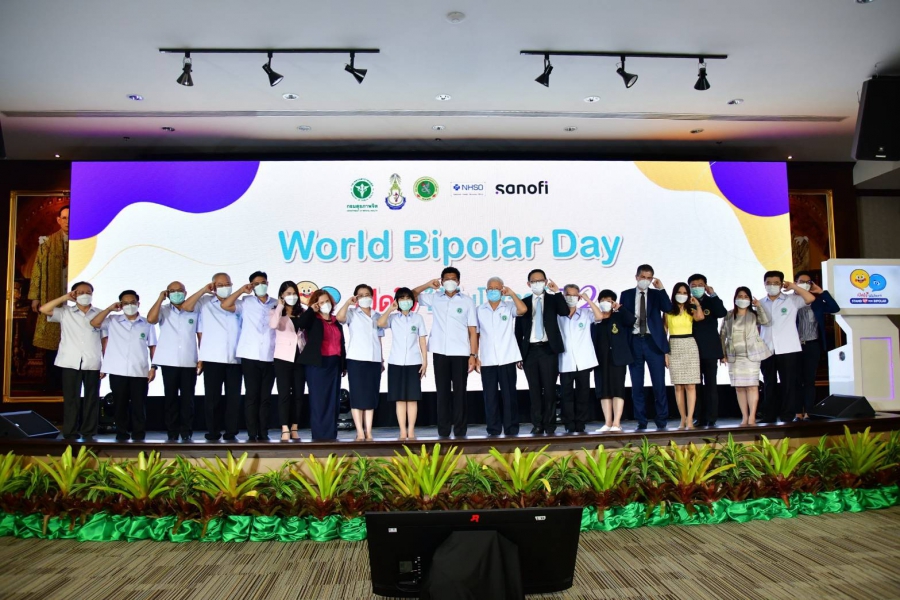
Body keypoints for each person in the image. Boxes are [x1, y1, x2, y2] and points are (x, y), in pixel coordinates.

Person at [413, 268, 478, 438]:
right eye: (446, 279)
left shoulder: (467, 301)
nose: (450, 281)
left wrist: (473, 355)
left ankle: (460, 431)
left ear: (458, 281)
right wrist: (428, 284)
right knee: (442, 393)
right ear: (441, 282)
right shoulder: (435, 298)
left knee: (460, 393)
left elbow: (472, 330)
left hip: (461, 352)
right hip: (440, 351)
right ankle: (443, 431)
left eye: (453, 278)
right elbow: (411, 295)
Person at [39, 281, 104, 440]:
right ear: (74, 294)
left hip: (93, 361)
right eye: (80, 292)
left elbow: (105, 340)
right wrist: (65, 297)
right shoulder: (65, 312)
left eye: (88, 292)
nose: (84, 295)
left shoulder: (100, 313)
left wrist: (105, 364)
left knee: (92, 399)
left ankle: (89, 431)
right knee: (71, 399)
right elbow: (43, 309)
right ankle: (70, 431)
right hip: (70, 361)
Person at [90, 290, 157, 441]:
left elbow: (153, 346)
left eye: (132, 302)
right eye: (125, 303)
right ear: (120, 304)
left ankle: (139, 435)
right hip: (117, 370)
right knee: (120, 405)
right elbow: (94, 323)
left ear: (138, 304)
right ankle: (122, 433)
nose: (129, 306)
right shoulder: (112, 320)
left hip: (139, 370)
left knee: (139, 405)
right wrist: (109, 309)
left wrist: (154, 367)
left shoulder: (147, 323)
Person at [182, 273, 242, 441]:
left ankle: (231, 432)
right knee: (212, 399)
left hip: (236, 357)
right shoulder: (205, 302)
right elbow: (186, 307)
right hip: (213, 357)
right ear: (213, 286)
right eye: (220, 285)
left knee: (233, 398)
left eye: (227, 284)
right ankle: (213, 432)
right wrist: (203, 290)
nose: (225, 287)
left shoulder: (239, 303)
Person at [221, 271, 278, 441]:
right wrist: (241, 290)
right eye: (256, 284)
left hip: (270, 355)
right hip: (250, 355)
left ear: (268, 283)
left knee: (265, 397)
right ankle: (252, 433)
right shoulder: (246, 301)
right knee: (252, 395)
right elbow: (225, 305)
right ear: (251, 286)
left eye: (263, 282)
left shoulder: (276, 303)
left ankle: (263, 431)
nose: (261, 286)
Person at [514, 269, 568, 435]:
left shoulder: (553, 300)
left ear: (545, 282)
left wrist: (557, 292)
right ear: (528, 284)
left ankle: (549, 424)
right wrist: (518, 354)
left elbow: (565, 311)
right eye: (534, 281)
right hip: (530, 351)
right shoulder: (524, 302)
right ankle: (537, 424)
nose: (537, 283)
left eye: (540, 280)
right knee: (534, 390)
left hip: (548, 349)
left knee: (550, 389)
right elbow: (518, 331)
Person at [758, 270, 816, 422]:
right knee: (769, 383)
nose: (772, 286)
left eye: (776, 283)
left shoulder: (792, 300)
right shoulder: (760, 303)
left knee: (789, 384)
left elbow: (810, 298)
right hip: (767, 348)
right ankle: (769, 415)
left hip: (788, 348)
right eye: (769, 283)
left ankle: (787, 415)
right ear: (764, 284)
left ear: (782, 284)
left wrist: (794, 287)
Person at [620, 264, 672, 431]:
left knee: (659, 384)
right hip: (634, 341)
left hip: (653, 342)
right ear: (636, 277)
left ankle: (661, 419)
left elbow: (668, 308)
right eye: (643, 277)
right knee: (637, 384)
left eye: (649, 278)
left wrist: (661, 288)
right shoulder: (626, 294)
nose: (645, 280)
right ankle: (641, 420)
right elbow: (623, 318)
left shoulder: (656, 295)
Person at [147, 281, 199, 442]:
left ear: (185, 292)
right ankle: (172, 431)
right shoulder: (163, 310)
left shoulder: (194, 310)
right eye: (172, 291)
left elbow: (200, 334)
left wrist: (202, 357)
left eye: (180, 290)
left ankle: (186, 431)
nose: (177, 293)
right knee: (170, 398)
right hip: (169, 361)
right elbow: (151, 319)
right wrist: (159, 299)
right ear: (167, 293)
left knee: (188, 399)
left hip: (189, 360)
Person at [475, 277, 526, 436]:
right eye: (490, 288)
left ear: (502, 290)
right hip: (487, 360)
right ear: (486, 291)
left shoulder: (508, 307)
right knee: (490, 397)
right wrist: (475, 355)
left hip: (507, 358)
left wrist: (512, 294)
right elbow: (476, 334)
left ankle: (511, 429)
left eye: (497, 288)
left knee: (509, 396)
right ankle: (493, 429)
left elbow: (523, 310)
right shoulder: (479, 310)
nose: (493, 291)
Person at [28, 205, 69, 391]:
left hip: (74, 299)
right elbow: (37, 269)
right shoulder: (47, 243)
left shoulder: (83, 241)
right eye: (64, 218)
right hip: (53, 296)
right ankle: (52, 384)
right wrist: (35, 297)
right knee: (53, 342)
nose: (67, 222)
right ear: (58, 220)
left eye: (70, 218)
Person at [296, 289, 347, 441]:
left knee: (333, 401)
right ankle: (319, 437)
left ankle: (331, 435)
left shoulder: (336, 321)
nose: (325, 304)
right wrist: (311, 310)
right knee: (319, 401)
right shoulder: (313, 319)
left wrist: (343, 365)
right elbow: (300, 324)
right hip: (317, 365)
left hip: (334, 364)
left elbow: (341, 344)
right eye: (321, 302)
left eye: (327, 301)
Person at [378, 288, 428, 440]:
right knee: (399, 400)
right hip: (396, 362)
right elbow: (380, 323)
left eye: (408, 298)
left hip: (414, 362)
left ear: (412, 301)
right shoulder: (393, 318)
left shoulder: (418, 318)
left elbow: (422, 340)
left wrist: (425, 361)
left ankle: (411, 431)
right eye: (402, 298)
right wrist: (390, 309)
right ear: (397, 301)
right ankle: (402, 431)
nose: (405, 301)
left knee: (412, 399)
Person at [336, 284, 384, 441]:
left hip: (374, 360)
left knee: (370, 396)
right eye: (361, 295)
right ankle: (360, 432)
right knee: (357, 396)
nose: (365, 297)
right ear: (356, 298)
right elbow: (339, 318)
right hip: (356, 359)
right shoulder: (352, 313)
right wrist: (347, 303)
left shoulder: (378, 315)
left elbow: (379, 338)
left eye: (367, 294)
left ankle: (368, 431)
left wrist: (381, 359)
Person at [720, 287, 771, 426]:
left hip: (751, 355)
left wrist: (759, 306)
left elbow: (766, 321)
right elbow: (722, 334)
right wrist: (722, 353)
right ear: (735, 298)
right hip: (734, 356)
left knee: (752, 386)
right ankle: (744, 416)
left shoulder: (753, 314)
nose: (742, 299)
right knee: (739, 387)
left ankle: (752, 417)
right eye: (740, 296)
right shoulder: (729, 315)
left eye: (745, 296)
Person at [557, 285, 604, 434]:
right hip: (565, 361)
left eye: (574, 295)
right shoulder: (558, 315)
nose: (571, 298)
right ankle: (569, 423)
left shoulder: (585, 313)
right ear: (564, 296)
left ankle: (581, 423)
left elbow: (599, 317)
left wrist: (588, 300)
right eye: (568, 295)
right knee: (566, 395)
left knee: (583, 394)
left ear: (578, 297)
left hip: (583, 361)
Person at [794, 271, 840, 419]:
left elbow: (835, 308)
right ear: (795, 283)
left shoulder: (817, 302)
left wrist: (821, 292)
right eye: (801, 281)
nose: (804, 284)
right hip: (793, 346)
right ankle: (797, 412)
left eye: (808, 282)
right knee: (795, 381)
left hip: (812, 345)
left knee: (809, 381)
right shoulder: (789, 300)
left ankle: (809, 412)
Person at [590, 290, 635, 433]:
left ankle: (617, 422)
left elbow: (631, 320)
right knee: (604, 391)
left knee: (617, 390)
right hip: (600, 359)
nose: (606, 303)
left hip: (618, 358)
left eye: (609, 301)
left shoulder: (619, 316)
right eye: (603, 300)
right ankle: (608, 422)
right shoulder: (595, 319)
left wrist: (619, 308)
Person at [687, 274, 728, 427]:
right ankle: (699, 417)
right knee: (695, 386)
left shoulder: (711, 301)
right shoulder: (687, 303)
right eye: (693, 285)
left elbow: (722, 313)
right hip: (692, 348)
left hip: (710, 349)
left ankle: (711, 417)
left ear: (705, 286)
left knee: (711, 384)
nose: (697, 288)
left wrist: (713, 294)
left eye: (700, 285)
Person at [269, 281, 307, 442]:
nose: (292, 296)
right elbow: (273, 325)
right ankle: (284, 427)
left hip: (300, 357)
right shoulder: (276, 311)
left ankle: (294, 427)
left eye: (294, 293)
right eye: (288, 294)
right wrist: (280, 306)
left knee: (298, 394)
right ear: (282, 296)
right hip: (283, 358)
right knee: (284, 394)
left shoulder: (302, 312)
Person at [664, 283, 705, 429]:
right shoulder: (668, 311)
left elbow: (700, 317)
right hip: (674, 345)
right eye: (679, 292)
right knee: (678, 386)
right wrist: (665, 353)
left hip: (689, 345)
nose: (681, 295)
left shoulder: (691, 309)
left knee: (691, 385)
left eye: (684, 293)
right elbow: (664, 332)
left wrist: (697, 304)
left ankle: (690, 419)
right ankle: (682, 418)